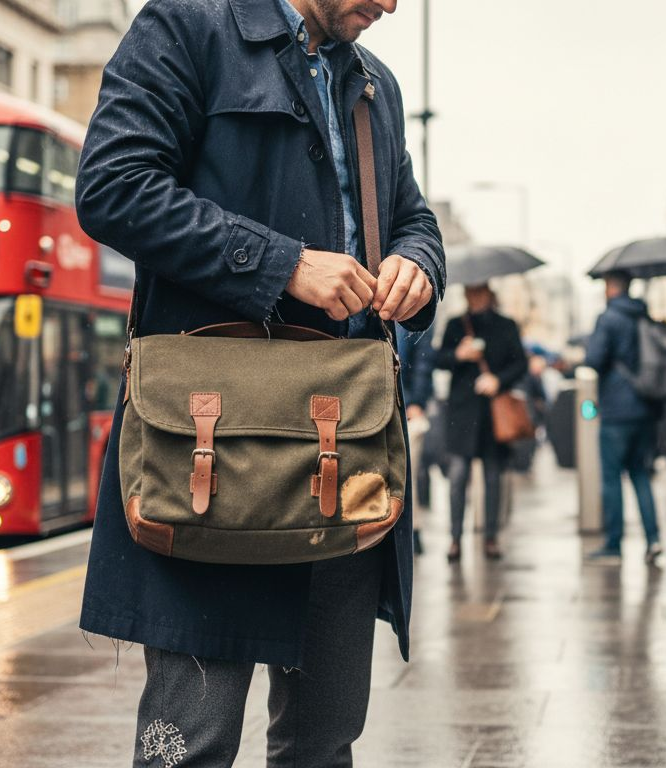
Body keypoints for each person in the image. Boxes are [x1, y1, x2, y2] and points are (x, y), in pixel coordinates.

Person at [74, 0, 445, 764]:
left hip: (345, 451)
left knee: (324, 743)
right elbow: (111, 185)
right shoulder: (186, 25)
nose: (391, 4)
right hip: (211, 450)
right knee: (191, 748)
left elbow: (411, 213)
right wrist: (283, 265)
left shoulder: (376, 84)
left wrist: (418, 263)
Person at [436, 283, 527, 563]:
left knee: (492, 477)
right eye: (469, 292)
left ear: (489, 293)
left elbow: (520, 363)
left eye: (479, 292)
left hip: (492, 414)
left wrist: (498, 380)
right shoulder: (455, 325)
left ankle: (490, 537)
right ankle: (454, 539)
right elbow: (438, 359)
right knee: (458, 476)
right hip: (462, 414)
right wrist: (458, 355)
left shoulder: (506, 325)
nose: (474, 297)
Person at [583, 270, 663, 564]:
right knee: (641, 475)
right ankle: (653, 539)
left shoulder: (609, 318)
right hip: (646, 408)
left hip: (617, 410)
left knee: (612, 477)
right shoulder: (644, 314)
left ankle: (614, 544)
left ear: (610, 287)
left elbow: (594, 360)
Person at [397, 325, 437, 556]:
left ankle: (413, 529)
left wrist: (417, 402)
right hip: (384, 399)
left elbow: (424, 362)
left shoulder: (411, 311)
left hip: (407, 406)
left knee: (407, 474)